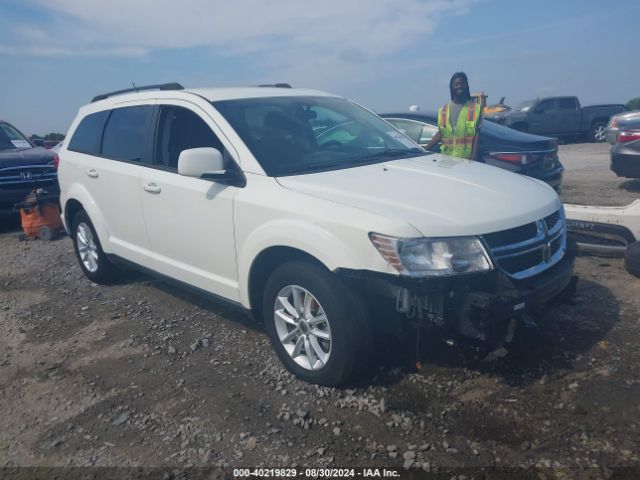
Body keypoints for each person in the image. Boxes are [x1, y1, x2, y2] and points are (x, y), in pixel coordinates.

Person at [425, 72, 482, 160]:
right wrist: (425, 149)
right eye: (456, 84)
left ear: (467, 86)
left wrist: (473, 158)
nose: (460, 86)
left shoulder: (475, 109)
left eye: (462, 84)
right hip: (446, 158)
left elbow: (477, 135)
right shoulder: (443, 110)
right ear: (451, 88)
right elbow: (441, 133)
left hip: (465, 159)